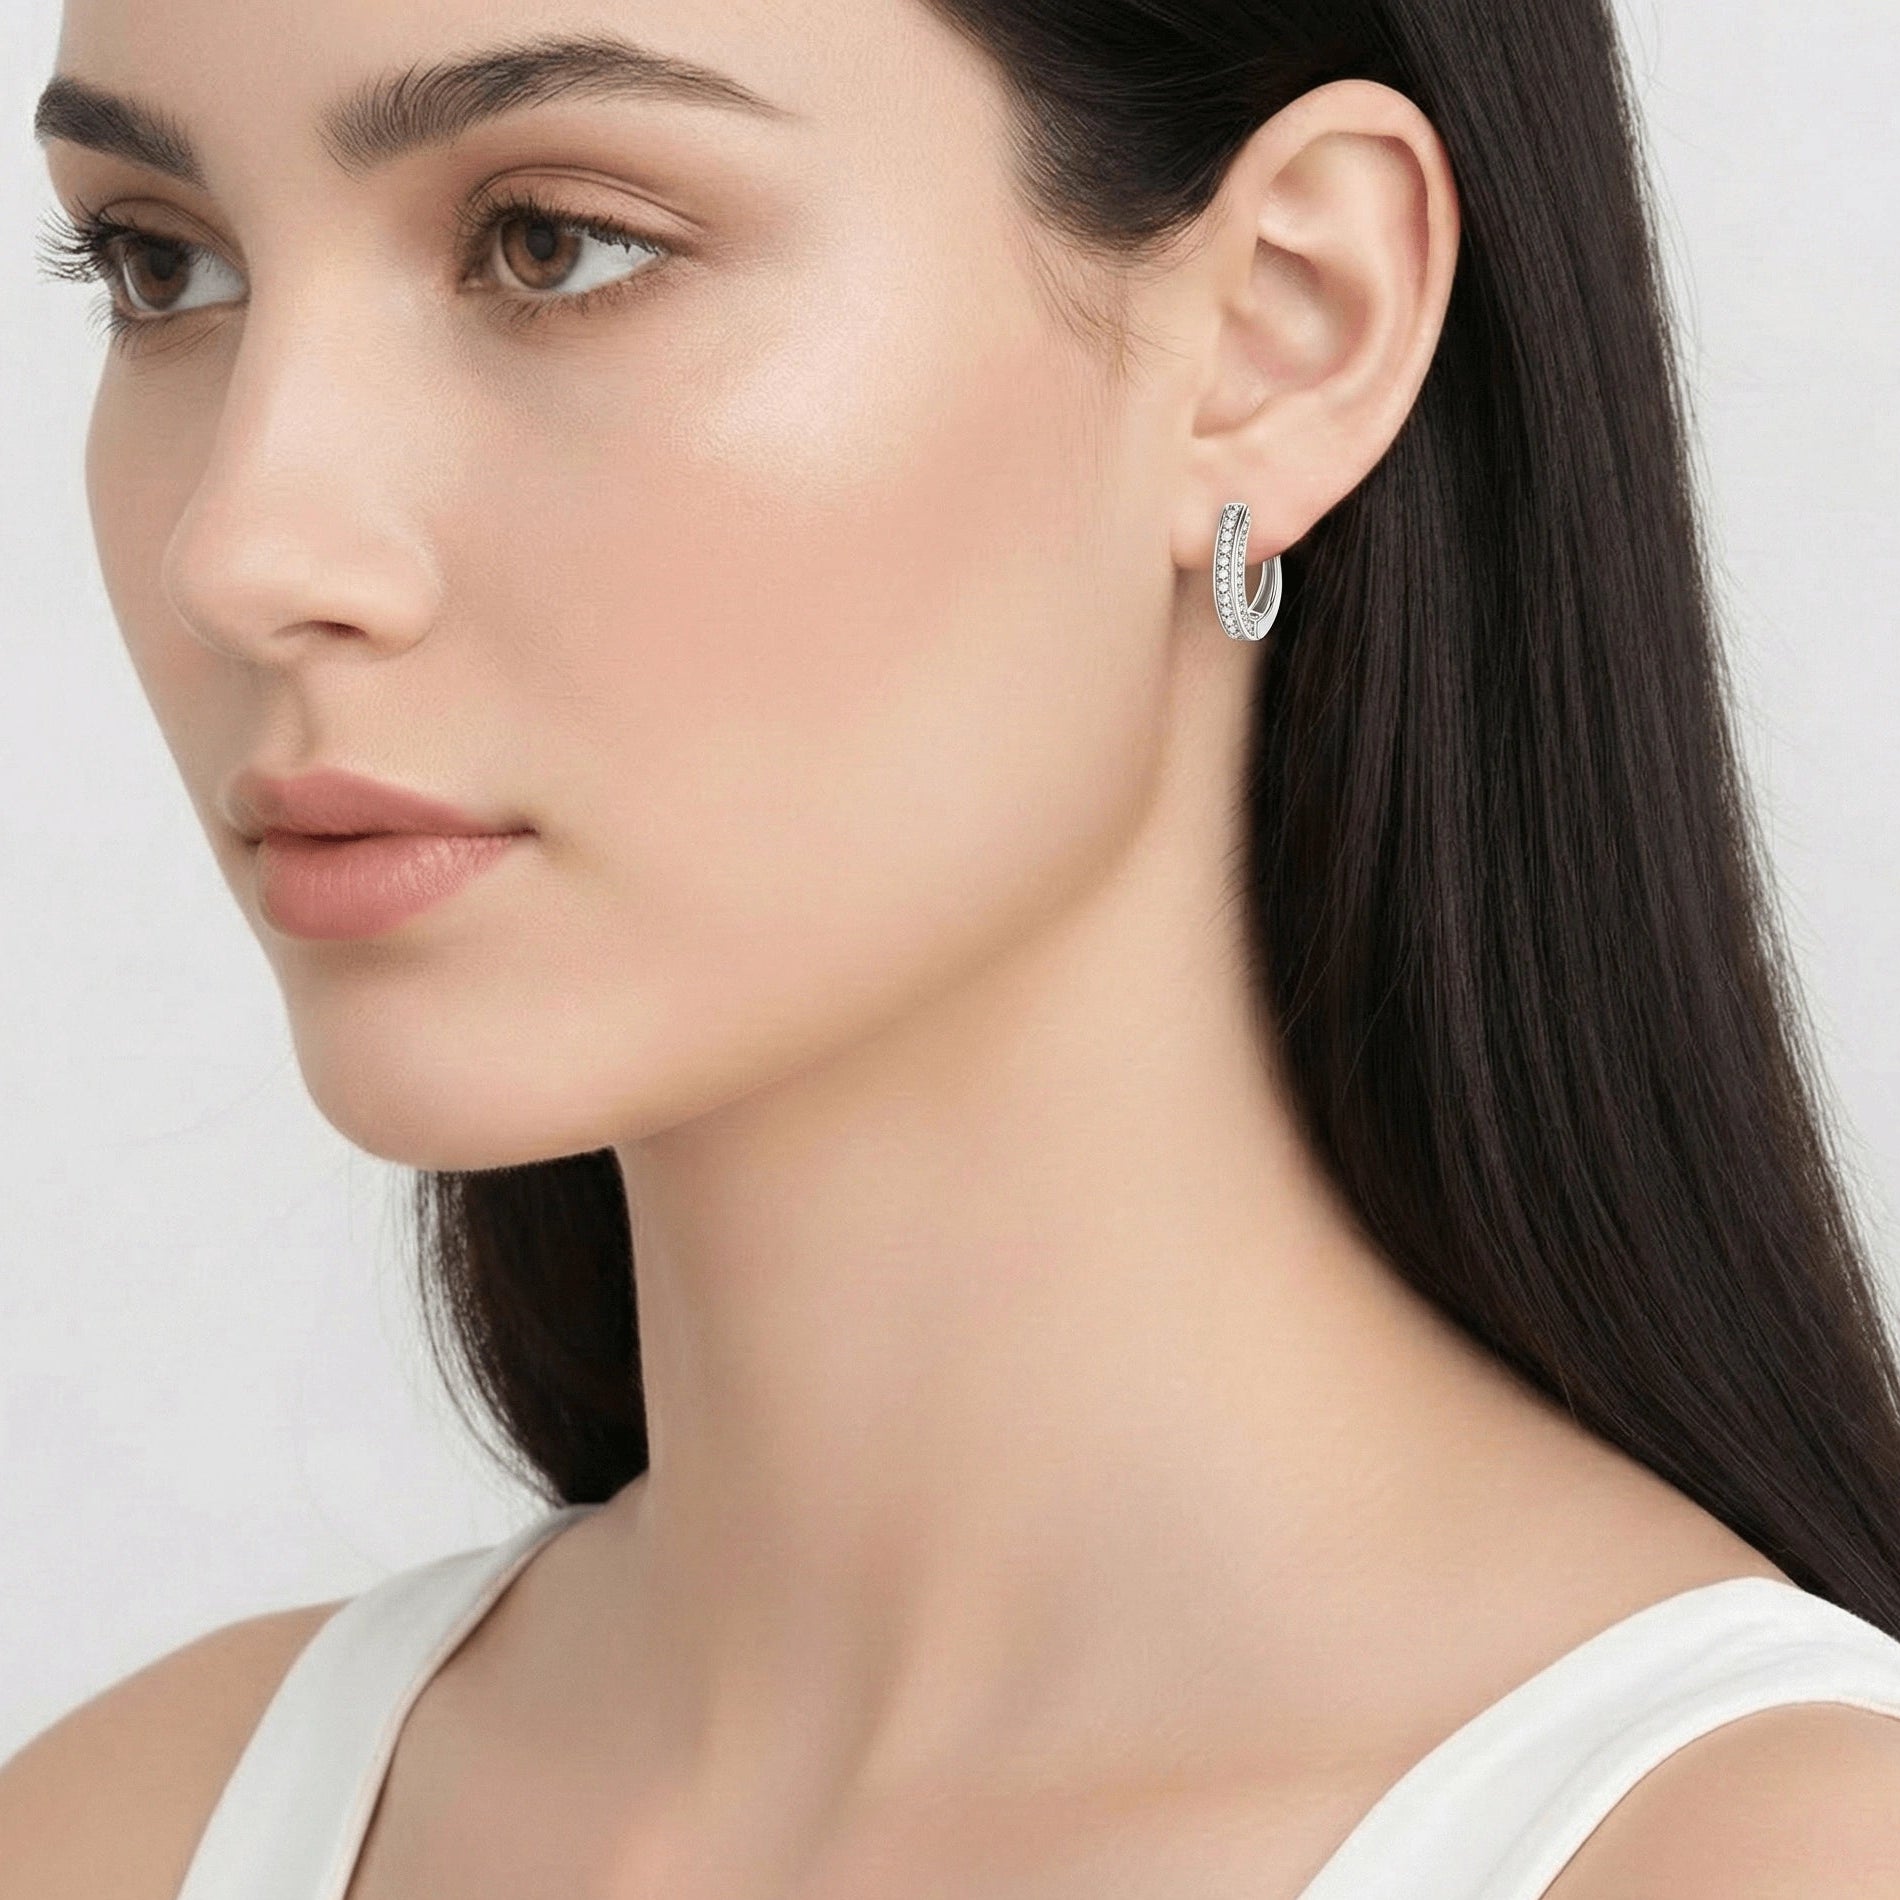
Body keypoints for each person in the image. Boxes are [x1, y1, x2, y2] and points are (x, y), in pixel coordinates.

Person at [8, 0, 1900, 1894]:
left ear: (1279, 332)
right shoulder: (125, 1834)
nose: (243, 549)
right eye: (163, 265)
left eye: (553, 243)